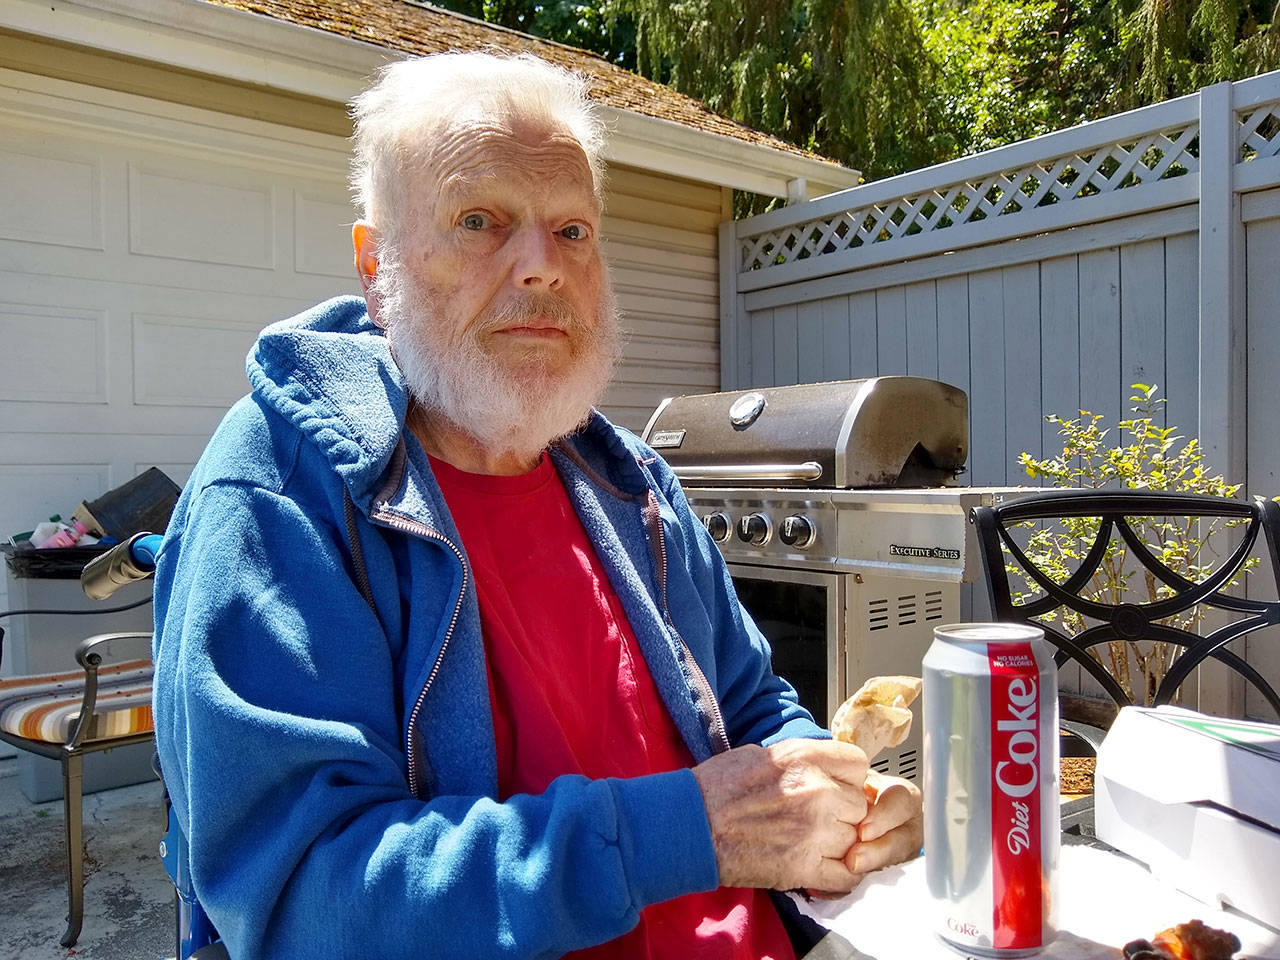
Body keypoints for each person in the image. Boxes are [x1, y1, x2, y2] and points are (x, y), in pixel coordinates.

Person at [151, 51, 923, 960]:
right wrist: (689, 833)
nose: (541, 267)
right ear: (376, 266)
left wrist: (837, 798)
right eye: (480, 220)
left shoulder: (631, 479)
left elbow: (752, 707)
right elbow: (303, 905)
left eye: (572, 231)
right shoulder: (279, 494)